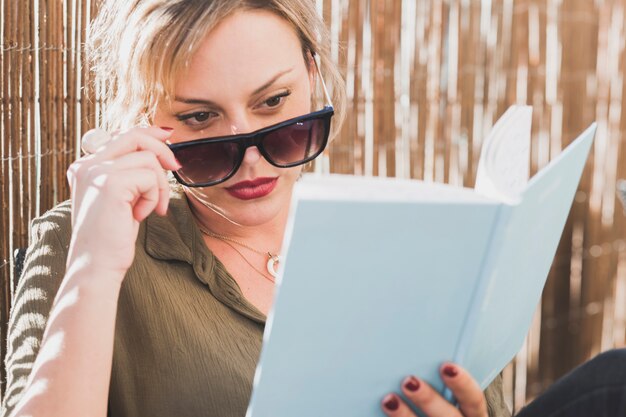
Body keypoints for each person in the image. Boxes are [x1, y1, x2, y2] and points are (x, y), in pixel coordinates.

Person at [1, 1, 623, 417]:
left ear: (312, 74)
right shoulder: (90, 239)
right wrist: (96, 264)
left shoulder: (401, 235)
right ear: (141, 120)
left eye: (275, 106)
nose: (252, 160)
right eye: (199, 120)